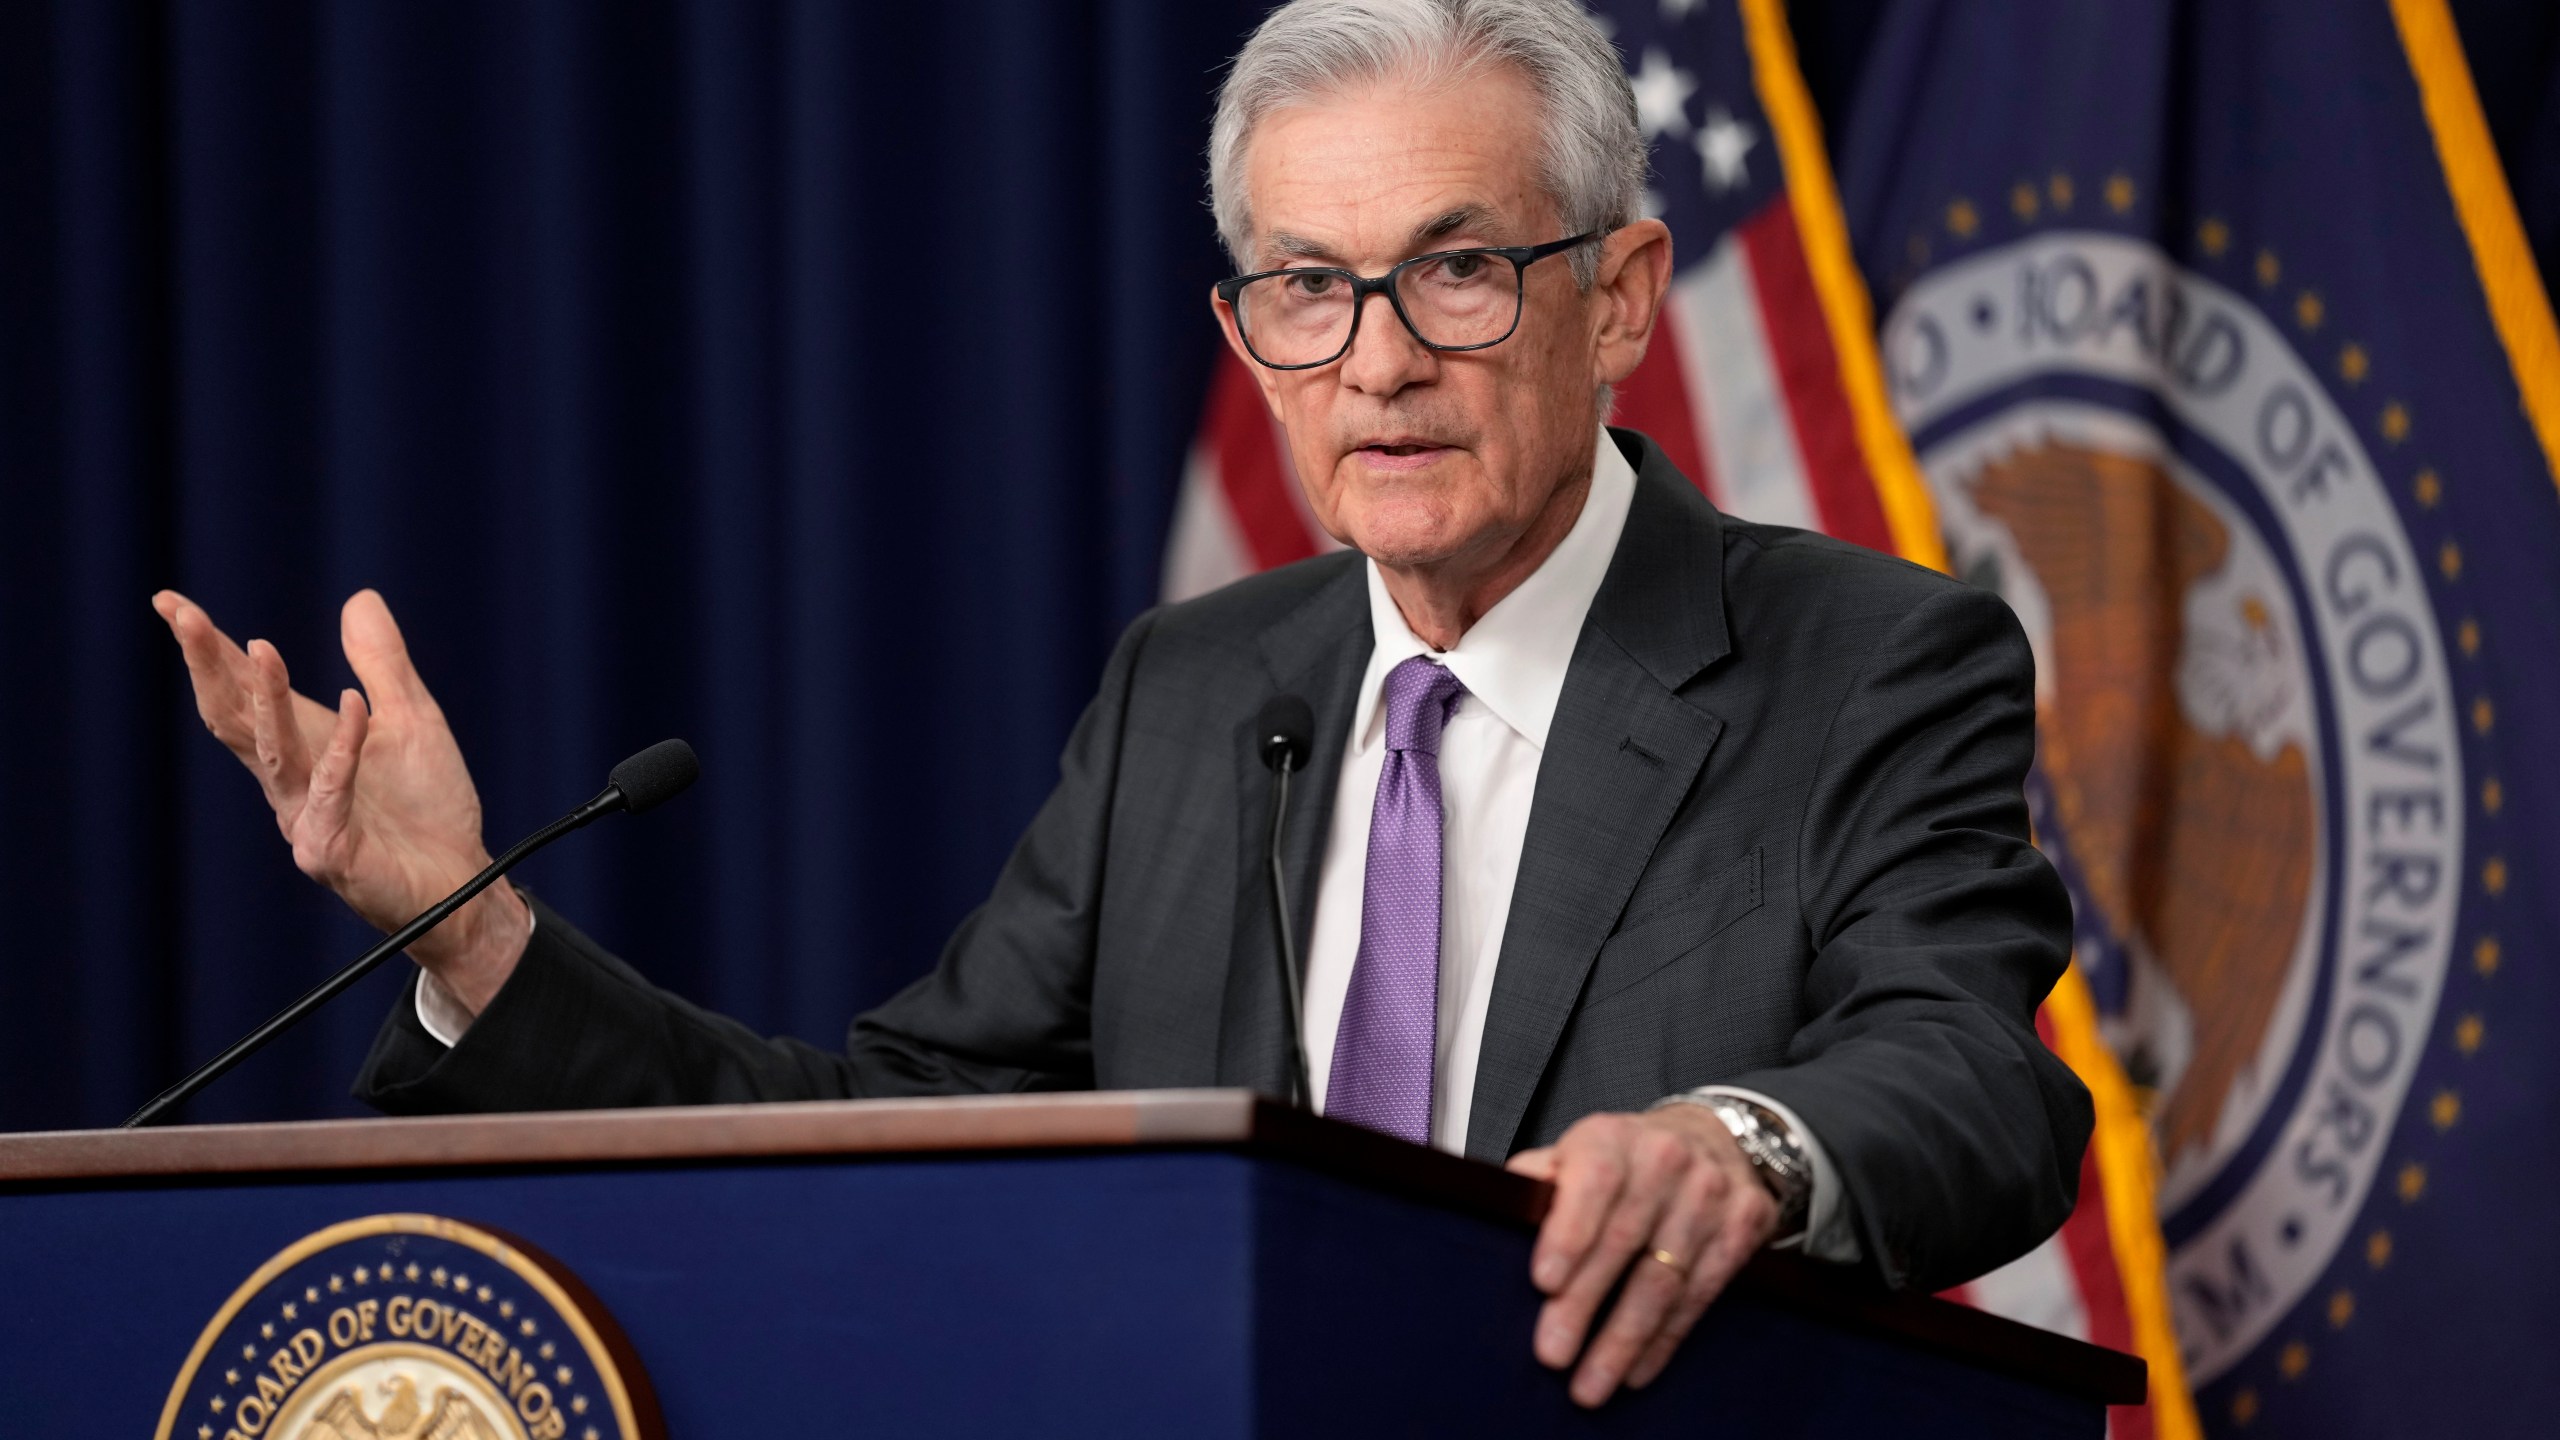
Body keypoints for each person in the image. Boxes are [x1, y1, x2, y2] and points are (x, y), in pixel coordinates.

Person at [153, 0, 2089, 1409]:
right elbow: (888, 1150)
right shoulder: (1196, 690)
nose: (1379, 363)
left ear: (1620, 295)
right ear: (1248, 333)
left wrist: (1734, 1150)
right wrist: (472, 932)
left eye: (1460, 274)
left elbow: (1973, 1083)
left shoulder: (1870, 664)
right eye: (1306, 290)